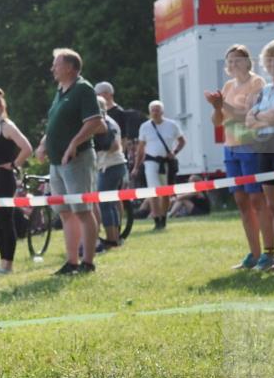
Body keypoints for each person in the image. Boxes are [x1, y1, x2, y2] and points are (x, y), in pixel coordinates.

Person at [35, 49, 107, 275]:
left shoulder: (83, 89)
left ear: (69, 67)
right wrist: (44, 144)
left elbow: (95, 122)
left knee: (83, 211)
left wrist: (73, 144)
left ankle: (88, 262)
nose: (52, 68)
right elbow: (56, 123)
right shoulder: (60, 91)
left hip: (78, 160)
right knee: (65, 213)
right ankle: (72, 261)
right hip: (57, 163)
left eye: (56, 64)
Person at [204, 44, 273, 270]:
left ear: (248, 62)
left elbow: (248, 116)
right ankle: (253, 254)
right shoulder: (228, 85)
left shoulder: (257, 83)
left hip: (250, 145)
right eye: (230, 61)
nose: (233, 64)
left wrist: (222, 104)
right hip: (231, 147)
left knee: (257, 200)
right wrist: (216, 107)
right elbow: (217, 121)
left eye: (237, 60)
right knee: (242, 202)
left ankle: (268, 252)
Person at [245, 39, 274, 273]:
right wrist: (265, 116)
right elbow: (248, 120)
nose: (273, 63)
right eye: (269, 58)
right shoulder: (264, 91)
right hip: (264, 148)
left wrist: (261, 117)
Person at [0, 89, 33, 274]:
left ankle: (8, 264)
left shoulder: (7, 126)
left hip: (3, 178)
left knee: (4, 220)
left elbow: (27, 148)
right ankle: (3, 263)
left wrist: (14, 164)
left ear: (1, 106)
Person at [133, 100, 186, 231]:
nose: (155, 113)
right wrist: (136, 166)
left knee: (166, 192)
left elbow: (182, 141)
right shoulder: (145, 126)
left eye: (157, 110)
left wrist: (174, 152)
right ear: (150, 112)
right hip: (151, 162)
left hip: (166, 162)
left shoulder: (172, 125)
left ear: (162, 111)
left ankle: (163, 218)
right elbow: (141, 148)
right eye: (153, 110)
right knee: (153, 191)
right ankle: (156, 218)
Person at [94, 96, 129, 249]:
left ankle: (111, 239)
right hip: (114, 165)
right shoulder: (109, 121)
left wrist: (98, 149)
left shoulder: (106, 123)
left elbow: (114, 145)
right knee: (109, 204)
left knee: (105, 204)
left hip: (110, 166)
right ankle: (114, 238)